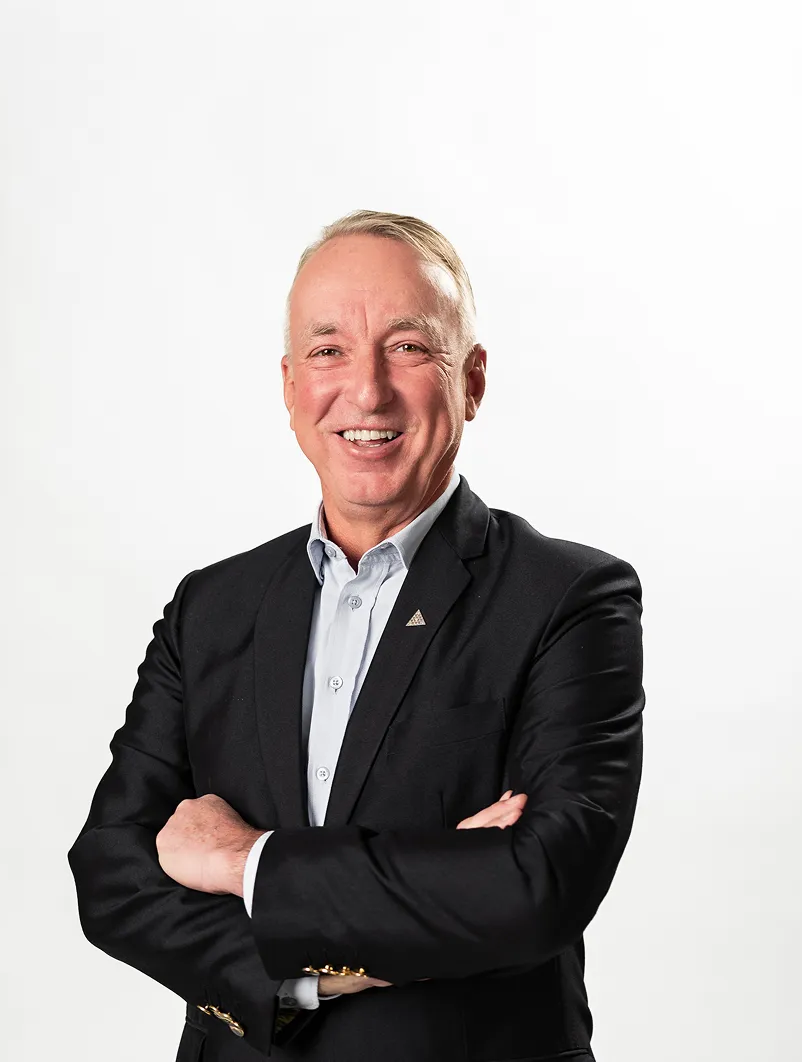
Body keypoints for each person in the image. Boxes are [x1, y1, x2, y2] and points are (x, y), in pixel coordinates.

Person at [67, 209, 645, 1062]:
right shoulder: (214, 606)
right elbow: (114, 873)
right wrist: (313, 980)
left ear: (471, 380)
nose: (366, 391)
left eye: (409, 348)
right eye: (328, 350)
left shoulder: (568, 597)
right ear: (291, 384)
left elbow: (537, 882)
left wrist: (246, 863)